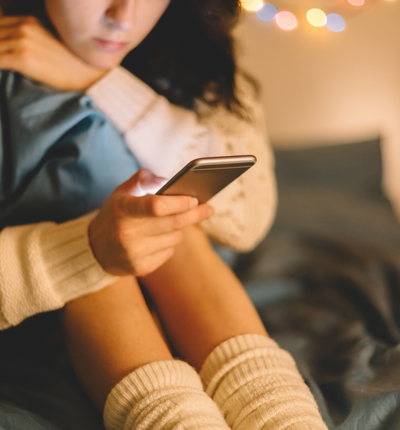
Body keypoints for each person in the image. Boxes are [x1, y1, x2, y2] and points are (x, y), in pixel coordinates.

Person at [0, 0, 328, 429]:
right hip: (48, 292)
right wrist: (87, 248)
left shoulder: (197, 51)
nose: (123, 16)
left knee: (168, 218)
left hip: (181, 271)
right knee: (108, 232)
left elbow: (247, 218)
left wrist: (97, 80)